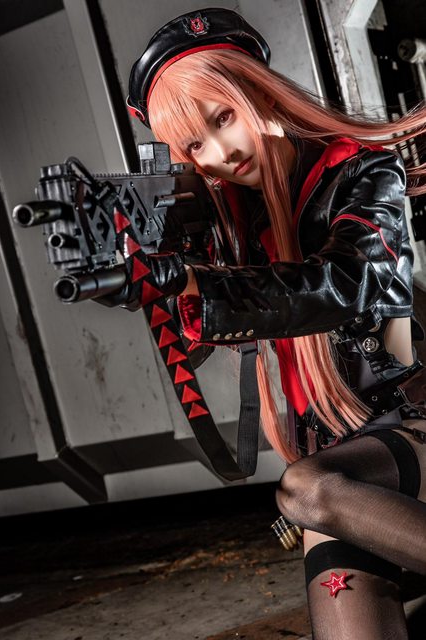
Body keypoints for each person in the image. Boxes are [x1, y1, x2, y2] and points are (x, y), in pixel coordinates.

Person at [126, 8, 426, 639]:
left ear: (260, 92)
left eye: (223, 118)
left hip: (412, 427)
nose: (221, 153)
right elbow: (201, 337)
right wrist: (144, 277)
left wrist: (201, 283)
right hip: (352, 469)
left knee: (305, 490)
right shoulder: (232, 225)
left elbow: (347, 282)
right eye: (194, 146)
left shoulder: (362, 171)